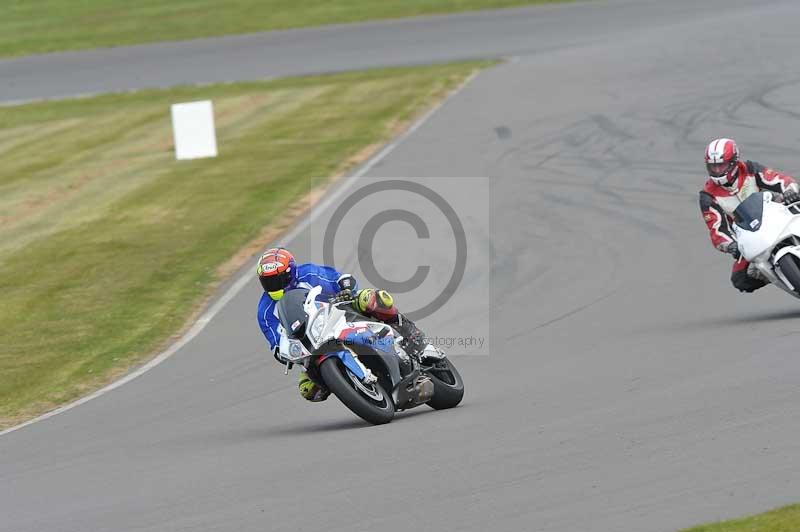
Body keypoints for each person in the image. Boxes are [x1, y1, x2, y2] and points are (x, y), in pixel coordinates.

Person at [255, 247, 440, 402]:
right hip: (311, 344)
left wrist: (346, 290)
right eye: (267, 281)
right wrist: (284, 353)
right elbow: (276, 343)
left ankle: (414, 338)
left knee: (373, 299)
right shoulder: (264, 311)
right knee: (308, 389)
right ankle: (352, 386)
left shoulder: (309, 273)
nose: (274, 285)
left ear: (291, 272)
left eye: (277, 279)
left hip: (342, 314)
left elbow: (340, 279)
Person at [699, 138, 800, 292]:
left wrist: (790, 190)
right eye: (713, 167)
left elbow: (778, 179)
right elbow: (717, 229)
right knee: (740, 278)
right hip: (748, 234)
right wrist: (730, 245)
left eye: (721, 165)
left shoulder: (750, 169)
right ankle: (780, 273)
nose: (717, 170)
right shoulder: (708, 195)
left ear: (733, 162)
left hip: (774, 214)